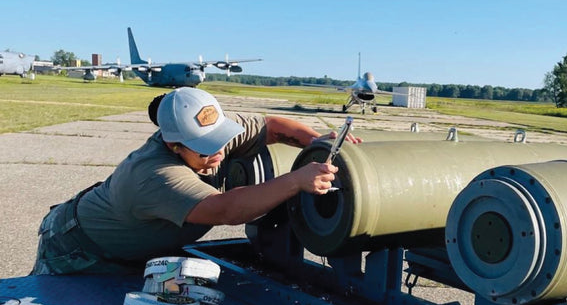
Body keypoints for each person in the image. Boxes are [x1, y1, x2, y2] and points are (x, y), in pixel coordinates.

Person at [32, 87, 360, 275]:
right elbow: (225, 210)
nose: (218, 151)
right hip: (77, 250)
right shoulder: (153, 175)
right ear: (173, 145)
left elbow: (272, 126)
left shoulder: (206, 127)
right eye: (205, 149)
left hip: (136, 247)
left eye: (220, 138)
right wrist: (296, 180)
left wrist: (319, 143)